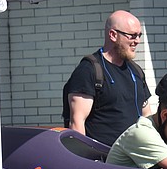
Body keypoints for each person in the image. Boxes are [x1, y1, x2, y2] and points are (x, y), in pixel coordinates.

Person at [62, 11, 152, 145]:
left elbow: (147, 117)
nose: (137, 41)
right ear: (113, 35)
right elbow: (77, 123)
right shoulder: (89, 70)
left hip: (135, 159)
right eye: (132, 36)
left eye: (139, 35)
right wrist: (85, 161)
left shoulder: (136, 71)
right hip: (104, 160)